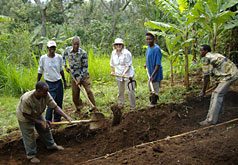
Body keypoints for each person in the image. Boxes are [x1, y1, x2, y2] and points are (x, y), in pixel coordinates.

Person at [16, 81, 72, 163]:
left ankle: (51, 145)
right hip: (25, 117)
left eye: (47, 91)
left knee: (45, 129)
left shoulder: (46, 95)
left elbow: (55, 107)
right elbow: (26, 115)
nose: (47, 93)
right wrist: (40, 122)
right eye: (45, 91)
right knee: (29, 135)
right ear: (38, 91)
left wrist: (66, 117)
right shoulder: (27, 99)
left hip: (36, 113)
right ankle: (31, 155)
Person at [199, 44, 238, 126]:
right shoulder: (214, 55)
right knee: (216, 93)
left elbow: (206, 77)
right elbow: (219, 68)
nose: (200, 52)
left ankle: (211, 120)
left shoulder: (206, 58)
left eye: (201, 50)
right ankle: (220, 113)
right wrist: (218, 81)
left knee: (217, 94)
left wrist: (203, 91)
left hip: (230, 75)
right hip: (230, 73)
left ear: (206, 51)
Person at [63, 36, 96, 112]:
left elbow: (85, 67)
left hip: (84, 75)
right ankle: (79, 107)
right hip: (73, 75)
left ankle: (94, 107)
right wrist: (65, 66)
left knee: (89, 91)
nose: (76, 46)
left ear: (79, 44)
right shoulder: (67, 50)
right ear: (72, 44)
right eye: (74, 44)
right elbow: (63, 57)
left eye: (78, 44)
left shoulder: (83, 53)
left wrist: (80, 78)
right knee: (75, 95)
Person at [37, 40, 66, 122]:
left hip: (58, 82)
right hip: (49, 84)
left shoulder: (59, 57)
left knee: (59, 102)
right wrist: (38, 82)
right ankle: (48, 120)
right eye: (50, 47)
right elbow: (40, 71)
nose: (52, 49)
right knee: (50, 103)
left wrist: (64, 81)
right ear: (47, 48)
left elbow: (61, 69)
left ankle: (57, 119)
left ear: (55, 48)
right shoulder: (43, 58)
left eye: (53, 47)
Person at [110, 38, 136, 110]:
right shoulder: (113, 53)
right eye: (117, 44)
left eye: (120, 44)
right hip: (118, 74)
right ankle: (120, 104)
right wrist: (112, 71)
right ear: (114, 46)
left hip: (128, 75)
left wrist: (124, 73)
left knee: (130, 91)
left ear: (122, 45)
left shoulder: (126, 53)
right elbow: (112, 63)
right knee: (120, 90)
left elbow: (128, 65)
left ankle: (132, 107)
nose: (118, 46)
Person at [144, 32, 163, 105]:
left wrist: (153, 75)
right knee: (150, 88)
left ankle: (154, 104)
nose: (148, 41)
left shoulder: (157, 49)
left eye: (150, 39)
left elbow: (158, 64)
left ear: (153, 39)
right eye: (147, 39)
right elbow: (149, 58)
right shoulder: (149, 47)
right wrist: (146, 64)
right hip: (150, 72)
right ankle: (152, 102)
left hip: (155, 73)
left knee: (154, 89)